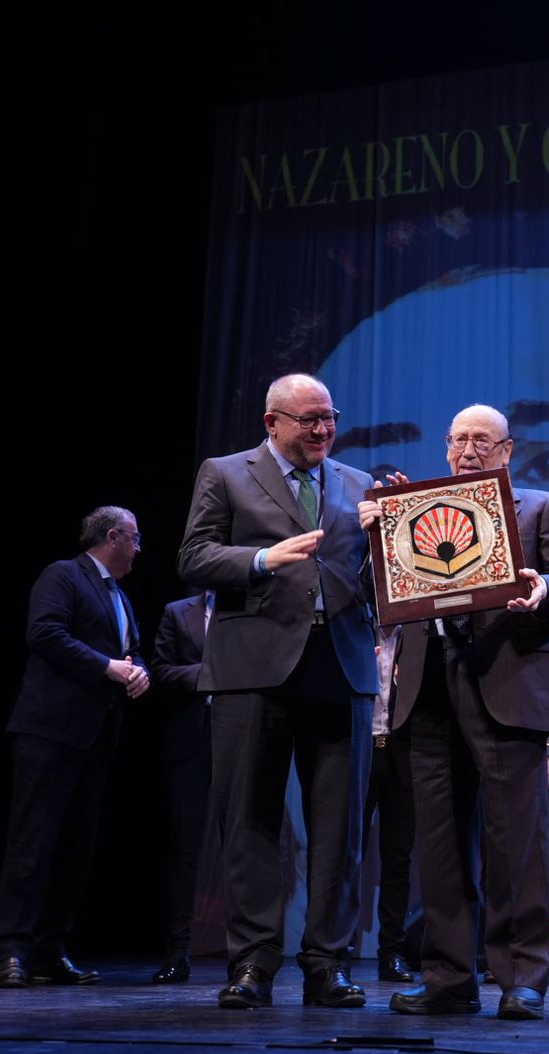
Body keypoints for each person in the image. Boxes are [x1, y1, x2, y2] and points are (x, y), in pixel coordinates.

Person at [177, 373, 379, 1010]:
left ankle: (327, 964)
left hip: (339, 666)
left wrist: (388, 538)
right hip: (252, 668)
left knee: (339, 829)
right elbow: (194, 557)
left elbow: (372, 581)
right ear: (272, 422)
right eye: (308, 419)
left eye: (330, 417)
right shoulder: (225, 473)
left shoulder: (357, 484)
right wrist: (263, 559)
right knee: (250, 822)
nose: (323, 430)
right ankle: (253, 964)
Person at [379, 403, 549, 1021]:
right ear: (446, 448)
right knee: (439, 845)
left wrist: (542, 590)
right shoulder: (411, 510)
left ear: (507, 450)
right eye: (459, 439)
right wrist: (376, 535)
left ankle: (522, 976)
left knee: (516, 842)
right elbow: (387, 591)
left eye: (482, 440)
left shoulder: (538, 506)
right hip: (430, 685)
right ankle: (447, 976)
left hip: (507, 682)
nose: (468, 449)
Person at [0, 506, 151, 988]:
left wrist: (136, 669)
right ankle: (11, 951)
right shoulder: (63, 575)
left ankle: (49, 950)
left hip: (96, 736)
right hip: (50, 732)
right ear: (113, 535)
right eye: (135, 539)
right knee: (32, 844)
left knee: (75, 852)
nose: (140, 550)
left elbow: (129, 650)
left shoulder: (119, 594)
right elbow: (45, 634)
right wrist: (108, 667)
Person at [149, 592, 213, 985]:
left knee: (248, 843)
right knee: (183, 848)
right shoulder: (177, 611)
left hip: (240, 736)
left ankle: (251, 955)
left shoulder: (254, 606)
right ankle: (178, 950)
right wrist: (209, 673)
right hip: (190, 740)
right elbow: (161, 670)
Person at [356, 623, 417, 984]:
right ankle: (336, 952)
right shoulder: (358, 631)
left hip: (401, 753)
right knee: (348, 855)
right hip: (359, 748)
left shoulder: (413, 637)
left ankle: (391, 952)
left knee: (398, 858)